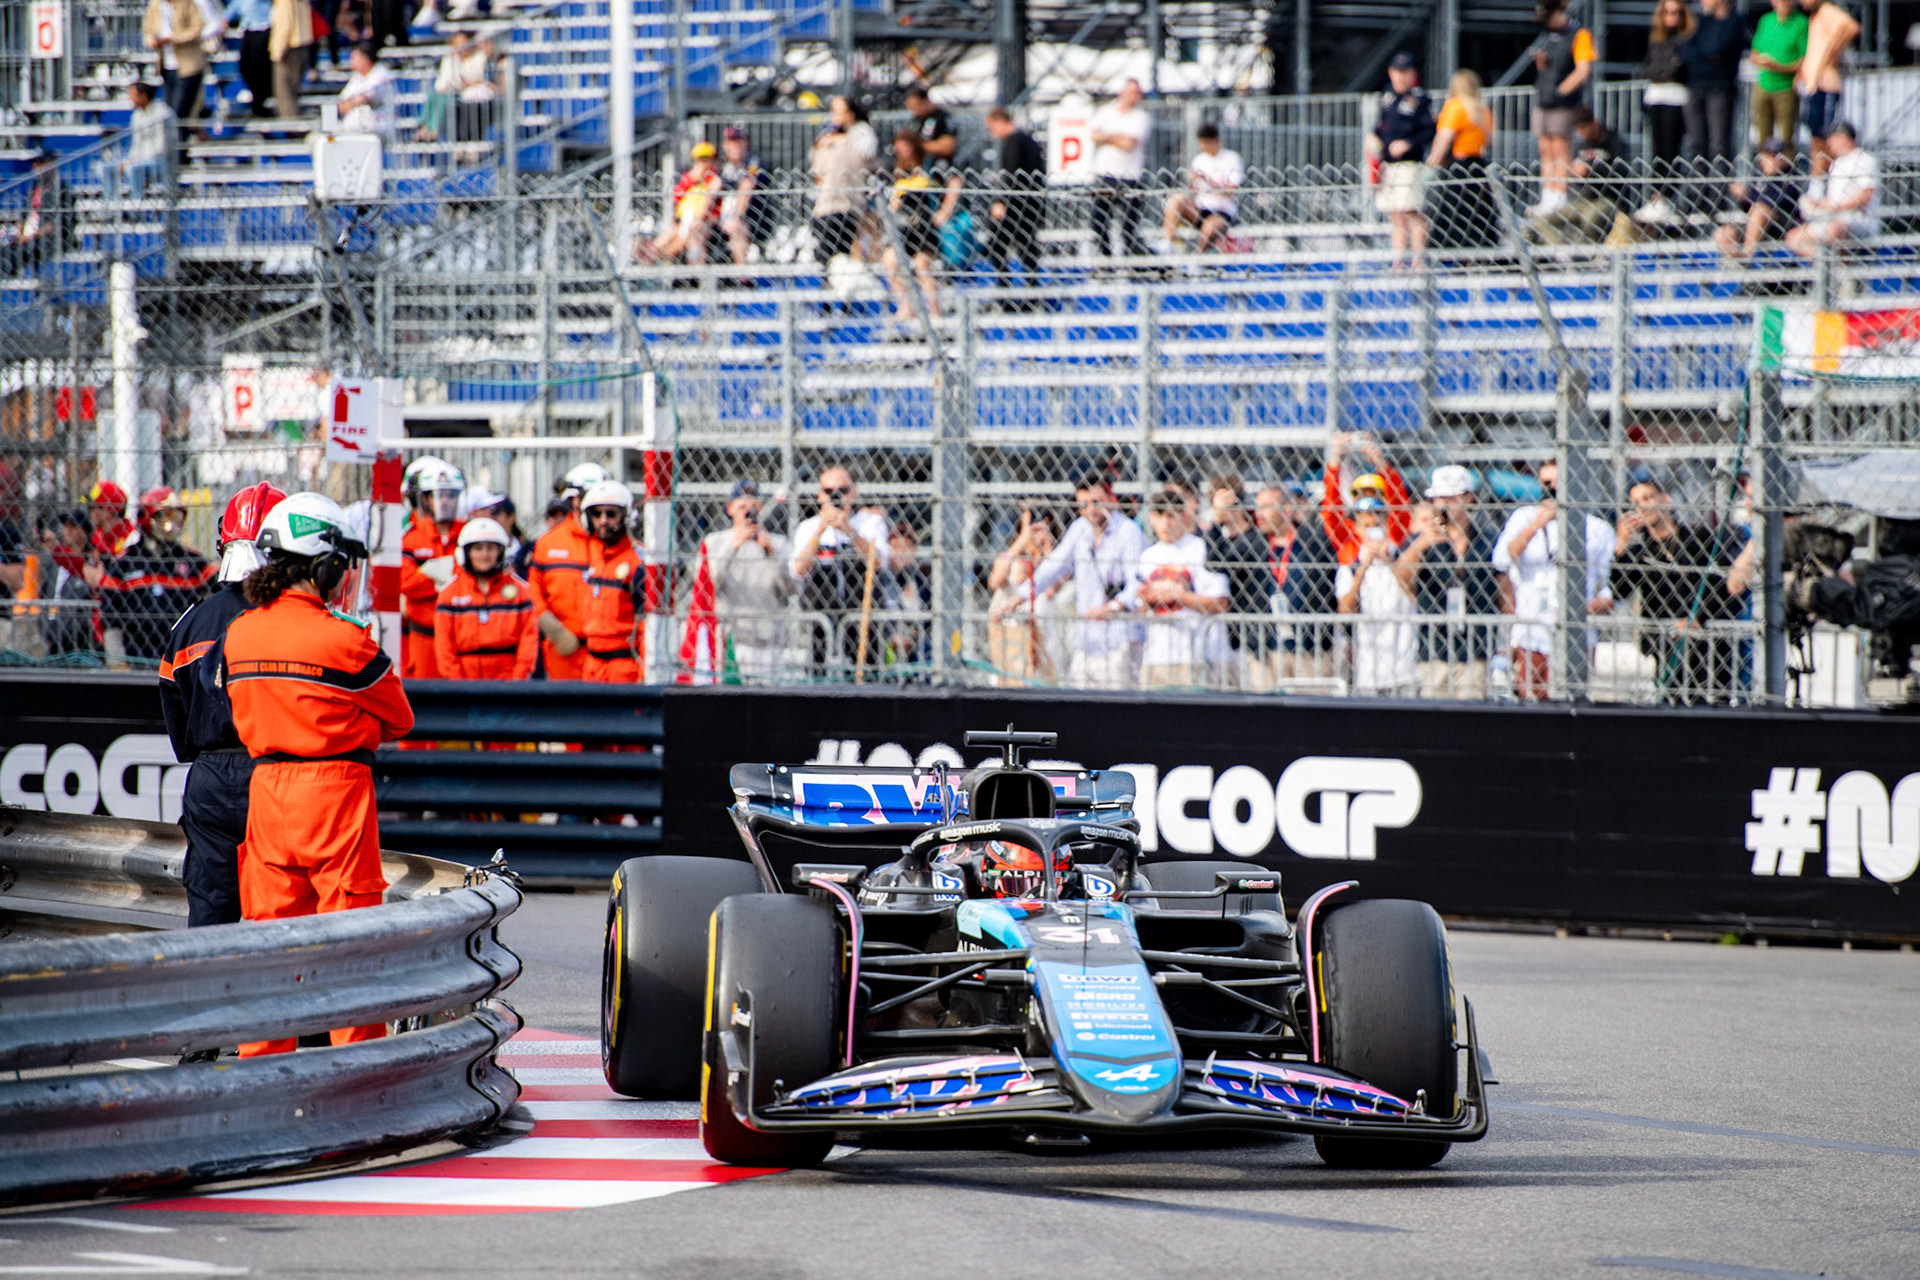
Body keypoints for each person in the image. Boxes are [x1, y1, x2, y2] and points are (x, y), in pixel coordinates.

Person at [224, 492, 412, 1056]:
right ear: (325, 565)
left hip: (266, 794)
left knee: (271, 951)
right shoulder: (346, 639)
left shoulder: (240, 632)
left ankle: (263, 1085)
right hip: (335, 795)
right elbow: (399, 719)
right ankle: (354, 1088)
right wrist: (352, 728)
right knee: (350, 949)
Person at [158, 481, 285, 934]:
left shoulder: (192, 621)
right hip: (272, 773)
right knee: (279, 905)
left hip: (209, 776)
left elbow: (172, 698)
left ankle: (207, 996)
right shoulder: (292, 619)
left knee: (211, 908)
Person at [1609, 474, 1745, 703]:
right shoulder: (1641, 552)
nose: (1642, 506)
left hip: (1707, 647)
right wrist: (1620, 544)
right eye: (1635, 503)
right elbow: (1619, 591)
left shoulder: (1699, 538)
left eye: (1648, 497)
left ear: (1666, 500)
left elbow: (1723, 586)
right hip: (1666, 647)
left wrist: (1697, 616)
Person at [1491, 458, 1615, 701]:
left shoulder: (1597, 528)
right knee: (1531, 696)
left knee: (1572, 700)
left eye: (1559, 483)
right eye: (1547, 483)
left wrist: (1589, 608)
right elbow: (1503, 559)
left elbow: (1613, 582)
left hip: (1575, 630)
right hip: (1532, 630)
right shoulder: (1523, 517)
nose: (1553, 489)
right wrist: (1536, 525)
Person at [1029, 474, 1147, 689]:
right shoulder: (1079, 529)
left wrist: (1112, 606)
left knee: (1118, 708)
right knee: (1080, 705)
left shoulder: (1129, 532)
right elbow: (1053, 567)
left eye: (1096, 502)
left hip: (1121, 639)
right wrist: (1022, 595)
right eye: (1083, 504)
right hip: (1087, 639)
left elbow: (1137, 584)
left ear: (1111, 499)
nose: (1090, 510)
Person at [1398, 465, 1502, 699]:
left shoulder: (1487, 539)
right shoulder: (1422, 541)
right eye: (1438, 498)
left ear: (1468, 498)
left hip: (1475, 649)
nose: (1443, 504)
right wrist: (1423, 543)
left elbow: (1503, 590)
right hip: (1435, 649)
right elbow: (1401, 577)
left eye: (1451, 498)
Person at [1117, 489, 1228, 690]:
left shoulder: (1201, 549)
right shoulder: (1148, 557)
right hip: (1155, 657)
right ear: (1151, 518)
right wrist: (1145, 599)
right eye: (1159, 516)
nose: (1165, 523)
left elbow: (1219, 602)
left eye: (1171, 516)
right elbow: (1141, 610)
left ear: (1184, 516)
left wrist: (1177, 596)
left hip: (1193, 655)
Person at [790, 466, 889, 678]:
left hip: (861, 616)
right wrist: (821, 530)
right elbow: (798, 569)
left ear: (853, 492)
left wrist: (848, 531)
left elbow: (879, 561)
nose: (835, 497)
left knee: (867, 674)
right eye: (828, 491)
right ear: (819, 494)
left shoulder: (869, 523)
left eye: (842, 490)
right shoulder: (808, 527)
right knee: (817, 675)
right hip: (820, 616)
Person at [99, 486, 216, 662]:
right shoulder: (125, 564)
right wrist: (117, 661)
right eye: (166, 516)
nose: (173, 524)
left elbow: (215, 593)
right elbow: (110, 617)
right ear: (147, 517)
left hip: (184, 657)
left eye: (177, 517)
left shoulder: (193, 563)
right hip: (137, 656)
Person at [700, 479, 792, 682]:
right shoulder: (715, 542)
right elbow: (707, 585)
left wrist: (772, 554)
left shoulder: (778, 543)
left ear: (760, 508)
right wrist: (733, 547)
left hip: (768, 640)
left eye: (753, 507)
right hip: (730, 639)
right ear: (730, 509)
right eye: (742, 507)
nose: (747, 513)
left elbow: (791, 589)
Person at [430, 516, 537, 680]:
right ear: (467, 552)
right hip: (464, 680)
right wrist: (458, 685)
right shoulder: (450, 593)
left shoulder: (520, 591)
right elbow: (445, 649)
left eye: (490, 548)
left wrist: (517, 681)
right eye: (478, 548)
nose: (485, 554)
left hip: (508, 680)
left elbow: (528, 642)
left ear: (500, 552)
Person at [527, 462, 607, 680]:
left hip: (607, 654)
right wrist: (554, 630)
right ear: (575, 501)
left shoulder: (613, 544)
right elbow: (533, 591)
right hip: (563, 651)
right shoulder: (548, 544)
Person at [1253, 483, 1337, 686]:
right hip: (1268, 650)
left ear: (1287, 509)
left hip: (1310, 649)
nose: (1259, 514)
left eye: (1266, 507)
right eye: (1257, 507)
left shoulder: (1313, 542)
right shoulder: (1255, 545)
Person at [1335, 495, 1419, 696]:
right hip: (1369, 670)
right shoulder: (1349, 567)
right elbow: (1345, 610)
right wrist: (1362, 568)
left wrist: (1389, 561)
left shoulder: (1403, 557)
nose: (1372, 531)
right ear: (1356, 528)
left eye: (1377, 524)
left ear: (1387, 523)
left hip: (1405, 667)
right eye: (1366, 525)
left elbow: (1415, 596)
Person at [1527, 0, 1597, 217]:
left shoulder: (1579, 34)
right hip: (1544, 100)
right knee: (1545, 149)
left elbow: (1583, 69)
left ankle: (1560, 195)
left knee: (1560, 148)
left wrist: (1562, 90)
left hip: (1562, 103)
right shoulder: (1548, 36)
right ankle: (1547, 194)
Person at [398, 460, 466, 679]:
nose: (445, 501)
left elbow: (474, 579)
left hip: (462, 640)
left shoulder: (469, 534)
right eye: (440, 495)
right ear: (426, 499)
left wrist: (428, 571)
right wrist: (448, 579)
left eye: (451, 495)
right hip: (423, 639)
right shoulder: (412, 536)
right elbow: (405, 582)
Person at [1203, 474, 1268, 688]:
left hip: (1250, 639)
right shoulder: (1219, 540)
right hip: (1223, 640)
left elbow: (1218, 563)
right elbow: (1213, 561)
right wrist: (1215, 524)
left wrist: (1216, 522)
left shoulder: (1256, 539)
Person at [575, 479, 643, 682]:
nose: (603, 520)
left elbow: (647, 626)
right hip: (592, 664)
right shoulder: (593, 554)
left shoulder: (638, 562)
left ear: (626, 516)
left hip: (624, 666)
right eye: (597, 514)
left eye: (611, 514)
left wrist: (643, 673)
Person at [1370, 53, 1435, 264]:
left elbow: (1429, 130)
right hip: (1388, 164)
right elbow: (1381, 127)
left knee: (1410, 211)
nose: (1400, 77)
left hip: (1409, 164)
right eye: (1397, 72)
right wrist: (1374, 139)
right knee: (1395, 214)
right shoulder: (1388, 97)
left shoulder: (1420, 99)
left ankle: (1418, 260)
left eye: (1405, 72)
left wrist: (1408, 143)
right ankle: (1398, 261)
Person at [1634, 0, 1694, 226]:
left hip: (1675, 99)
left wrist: (1665, 70)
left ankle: (1667, 198)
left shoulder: (1686, 39)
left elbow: (1678, 68)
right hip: (1656, 98)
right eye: (1667, 12)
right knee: (1657, 151)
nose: (1671, 17)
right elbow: (1648, 68)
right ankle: (1656, 197)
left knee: (1670, 150)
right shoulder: (1655, 39)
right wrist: (1665, 70)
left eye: (1676, 12)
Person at [986, 506, 1062, 684]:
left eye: (1044, 530)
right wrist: (1023, 539)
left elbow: (1051, 588)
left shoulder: (1053, 563)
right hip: (1010, 635)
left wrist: (1047, 548)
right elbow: (994, 581)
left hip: (1043, 636)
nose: (1038, 536)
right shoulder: (1009, 558)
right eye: (1034, 530)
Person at [1425, 68, 1497, 250]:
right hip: (1479, 164)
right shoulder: (1482, 108)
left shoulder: (1455, 106)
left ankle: (1452, 250)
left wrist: (1434, 159)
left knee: (1455, 212)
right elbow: (1488, 139)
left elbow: (1444, 137)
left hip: (1460, 164)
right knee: (1479, 213)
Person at [881, 131, 947, 323]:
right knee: (890, 260)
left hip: (923, 227)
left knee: (922, 265)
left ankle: (935, 311)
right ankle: (907, 305)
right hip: (902, 228)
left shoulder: (929, 168)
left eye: (906, 147)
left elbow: (948, 185)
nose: (901, 152)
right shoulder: (893, 172)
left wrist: (943, 211)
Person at [1787, 121, 1878, 256]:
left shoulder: (1864, 160)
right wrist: (1818, 204)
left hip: (1859, 220)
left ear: (1843, 138)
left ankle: (1833, 268)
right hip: (1833, 219)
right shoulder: (1836, 163)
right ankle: (1829, 269)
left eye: (1832, 138)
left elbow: (1865, 196)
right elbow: (1833, 198)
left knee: (1833, 230)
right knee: (1794, 238)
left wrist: (1836, 206)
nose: (1829, 143)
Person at [1682, 0, 1747, 187]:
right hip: (1695, 87)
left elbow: (1718, 48)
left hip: (1720, 89)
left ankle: (1718, 195)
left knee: (1718, 144)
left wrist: (1705, 54)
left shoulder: (1735, 22)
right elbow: (1687, 52)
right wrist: (1708, 56)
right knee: (1696, 143)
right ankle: (1699, 195)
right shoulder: (1701, 22)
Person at [1321, 431, 1411, 565]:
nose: (1367, 501)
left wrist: (1379, 462)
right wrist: (1335, 459)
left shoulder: (1392, 535)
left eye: (1374, 495)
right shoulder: (1349, 539)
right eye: (1361, 495)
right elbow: (1330, 511)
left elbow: (1399, 504)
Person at [810, 95, 879, 265]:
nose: (835, 116)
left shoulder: (861, 131)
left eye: (840, 111)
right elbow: (816, 169)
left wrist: (841, 139)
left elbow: (868, 151)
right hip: (827, 202)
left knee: (854, 245)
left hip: (854, 199)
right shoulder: (827, 134)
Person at [1088, 78, 1152, 261]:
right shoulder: (1105, 111)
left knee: (1128, 226)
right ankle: (1106, 258)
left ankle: (1129, 262)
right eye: (1131, 92)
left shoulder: (1141, 117)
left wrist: (1107, 136)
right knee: (1098, 222)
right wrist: (1118, 137)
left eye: (1137, 93)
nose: (1134, 97)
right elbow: (1094, 134)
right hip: (1105, 175)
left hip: (1130, 176)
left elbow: (1129, 143)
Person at [984, 106, 1045, 296]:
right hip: (1029, 205)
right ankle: (1029, 286)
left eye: (992, 127)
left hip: (1016, 205)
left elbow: (1011, 174)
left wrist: (1000, 200)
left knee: (998, 244)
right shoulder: (1026, 139)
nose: (992, 133)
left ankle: (1006, 286)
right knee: (1025, 247)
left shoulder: (1014, 141)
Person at [1797, 0, 1858, 179]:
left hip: (1826, 85)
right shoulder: (1815, 16)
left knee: (1825, 140)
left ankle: (1823, 183)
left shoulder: (1827, 11)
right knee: (1816, 139)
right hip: (1814, 85)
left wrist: (1830, 56)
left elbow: (1851, 27)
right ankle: (1817, 183)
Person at [1164, 123, 1246, 255]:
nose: (1204, 147)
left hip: (1221, 211)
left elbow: (1231, 191)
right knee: (1175, 199)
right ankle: (1167, 245)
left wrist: (1208, 181)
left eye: (1207, 143)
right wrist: (1193, 182)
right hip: (1201, 208)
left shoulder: (1231, 159)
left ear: (1216, 141)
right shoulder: (1199, 160)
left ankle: (1197, 259)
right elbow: (1193, 191)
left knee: (1210, 226)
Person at [1716, 137, 1801, 257]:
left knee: (1760, 210)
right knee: (1723, 233)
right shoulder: (1758, 176)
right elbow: (1748, 208)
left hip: (1781, 225)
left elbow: (1777, 203)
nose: (1773, 160)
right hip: (1755, 224)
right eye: (1769, 155)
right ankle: (1734, 263)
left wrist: (1749, 195)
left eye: (1777, 155)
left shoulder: (1790, 177)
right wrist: (1743, 197)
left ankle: (1747, 254)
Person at [643, 142, 722, 265]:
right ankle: (652, 252)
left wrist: (698, 219)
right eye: (699, 160)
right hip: (685, 220)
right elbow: (677, 197)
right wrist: (693, 180)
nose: (702, 164)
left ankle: (655, 257)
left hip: (705, 223)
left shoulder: (714, 180)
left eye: (706, 160)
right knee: (673, 232)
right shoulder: (690, 179)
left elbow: (708, 202)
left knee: (689, 234)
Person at [1749, 0, 1808, 159]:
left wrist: (1778, 67)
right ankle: (1765, 173)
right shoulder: (1766, 20)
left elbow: (1803, 61)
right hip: (1763, 84)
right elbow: (1754, 53)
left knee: (1786, 137)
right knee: (1762, 136)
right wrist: (1760, 61)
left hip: (1786, 87)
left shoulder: (1801, 23)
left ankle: (1786, 176)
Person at [109, 83, 176, 202]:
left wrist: (136, 161)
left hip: (161, 162)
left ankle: (137, 208)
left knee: (134, 168)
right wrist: (129, 159)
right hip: (141, 160)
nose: (130, 98)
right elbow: (136, 145)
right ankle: (110, 206)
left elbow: (162, 147)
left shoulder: (163, 113)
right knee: (106, 168)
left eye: (133, 95)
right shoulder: (137, 115)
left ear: (144, 96)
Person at [144, 0, 207, 122]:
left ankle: (182, 137)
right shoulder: (155, 5)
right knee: (170, 109)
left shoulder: (187, 3)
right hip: (166, 65)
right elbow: (147, 32)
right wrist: (153, 40)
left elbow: (197, 29)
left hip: (188, 65)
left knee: (181, 110)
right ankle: (180, 137)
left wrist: (173, 38)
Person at [717, 126, 769, 269]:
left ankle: (742, 278)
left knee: (736, 228)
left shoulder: (753, 163)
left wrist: (735, 216)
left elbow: (747, 186)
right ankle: (694, 279)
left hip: (752, 219)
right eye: (731, 141)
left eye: (738, 141)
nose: (735, 146)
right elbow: (712, 186)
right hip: (721, 219)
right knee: (695, 229)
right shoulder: (722, 165)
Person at [336, 42, 395, 140]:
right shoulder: (357, 77)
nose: (352, 63)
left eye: (355, 59)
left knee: (364, 111)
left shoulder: (381, 73)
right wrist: (354, 102)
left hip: (380, 126)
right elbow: (341, 104)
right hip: (358, 129)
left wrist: (352, 103)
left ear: (365, 60)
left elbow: (364, 100)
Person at [268, 0, 314, 122]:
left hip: (289, 48)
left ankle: (291, 129)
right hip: (302, 43)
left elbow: (285, 23)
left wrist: (277, 51)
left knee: (285, 93)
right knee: (293, 92)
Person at [227, 0, 275, 115]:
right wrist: (226, 18)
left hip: (263, 28)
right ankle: (258, 99)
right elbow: (237, 5)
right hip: (248, 29)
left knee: (259, 69)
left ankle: (260, 103)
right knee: (244, 67)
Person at [903, 84, 957, 169]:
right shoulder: (915, 121)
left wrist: (917, 147)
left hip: (940, 166)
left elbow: (948, 146)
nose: (915, 111)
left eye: (917, 106)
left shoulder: (942, 117)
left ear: (926, 101)